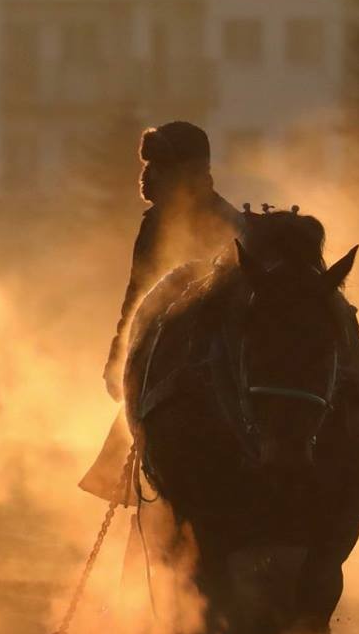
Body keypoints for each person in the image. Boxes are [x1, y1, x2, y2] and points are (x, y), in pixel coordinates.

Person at [81, 120, 242, 501]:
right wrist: (119, 357)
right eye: (148, 165)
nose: (148, 174)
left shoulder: (229, 226)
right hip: (161, 356)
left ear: (189, 173)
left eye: (159, 167)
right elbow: (137, 297)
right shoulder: (155, 224)